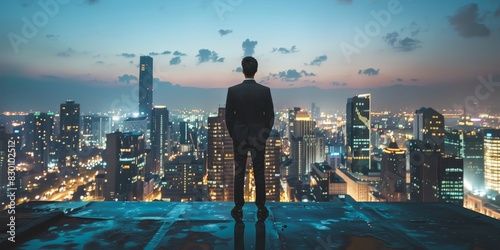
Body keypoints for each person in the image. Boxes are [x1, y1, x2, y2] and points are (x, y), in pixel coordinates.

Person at [225, 56, 274, 222]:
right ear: (256, 70)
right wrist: (264, 134)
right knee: (259, 171)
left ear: (242, 70)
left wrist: (235, 134)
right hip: (258, 137)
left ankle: (238, 207)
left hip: (239, 136)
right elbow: (270, 116)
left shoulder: (233, 91)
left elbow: (228, 117)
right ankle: (261, 207)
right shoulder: (264, 91)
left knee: (239, 171)